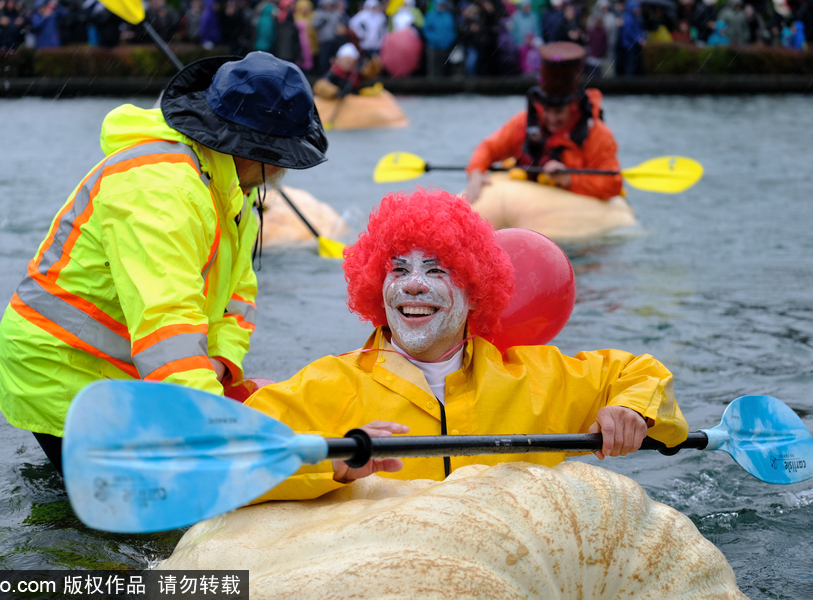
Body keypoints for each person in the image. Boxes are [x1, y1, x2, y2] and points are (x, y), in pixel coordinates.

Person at [0, 52, 328, 476]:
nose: (284, 169)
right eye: (281, 156)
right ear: (251, 148)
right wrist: (214, 429)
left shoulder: (231, 190)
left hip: (127, 363)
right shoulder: (158, 189)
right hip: (64, 369)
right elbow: (166, 323)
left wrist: (221, 367)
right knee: (112, 520)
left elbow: (238, 295)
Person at [244, 188, 688, 501]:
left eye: (436, 271)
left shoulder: (533, 379)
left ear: (476, 291)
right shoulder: (330, 384)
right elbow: (227, 457)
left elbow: (642, 375)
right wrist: (334, 462)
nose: (413, 285)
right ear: (375, 285)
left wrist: (632, 410)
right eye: (398, 270)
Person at [465, 42, 623, 204]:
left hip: (572, 208)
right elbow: (489, 147)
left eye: (558, 112)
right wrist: (476, 171)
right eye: (547, 110)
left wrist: (569, 179)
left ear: (573, 106)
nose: (551, 118)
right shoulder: (524, 122)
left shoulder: (597, 133)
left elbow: (613, 183)